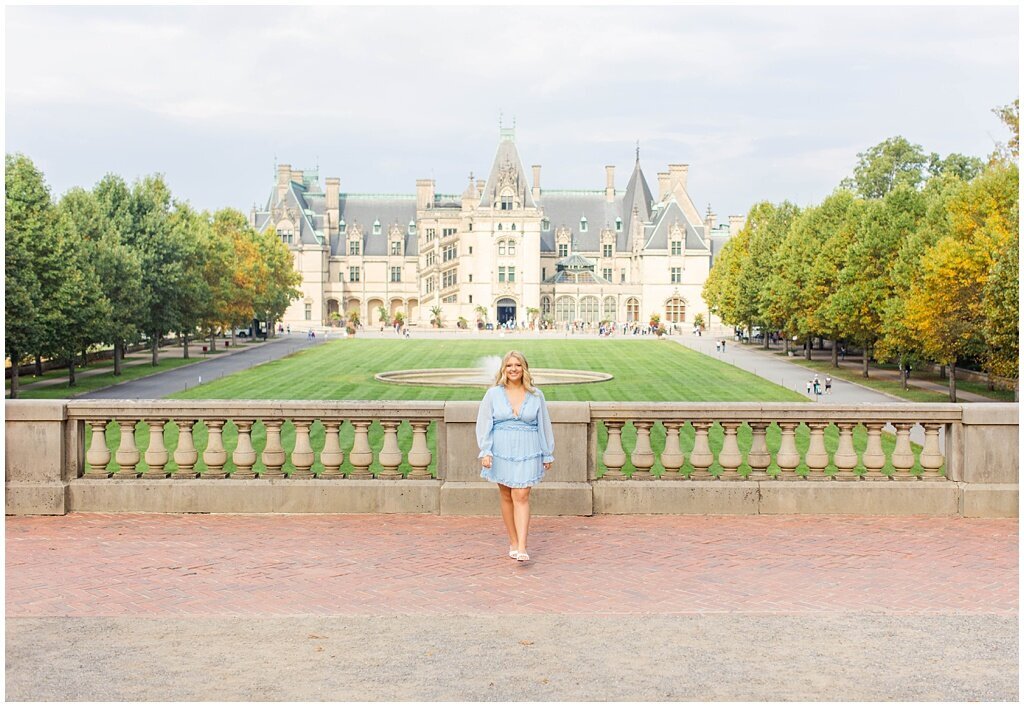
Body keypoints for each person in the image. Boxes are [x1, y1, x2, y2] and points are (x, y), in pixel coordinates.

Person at [476, 350, 554, 563]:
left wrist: (547, 453)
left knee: (522, 495)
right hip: (501, 450)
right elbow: (484, 424)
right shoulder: (493, 394)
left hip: (529, 450)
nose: (513, 369)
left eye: (518, 365)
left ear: (524, 369)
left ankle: (522, 546)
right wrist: (486, 450)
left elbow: (543, 425)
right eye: (509, 365)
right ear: (504, 369)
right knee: (506, 495)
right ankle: (512, 540)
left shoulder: (536, 395)